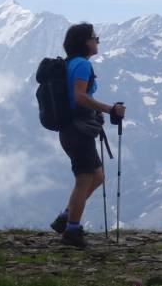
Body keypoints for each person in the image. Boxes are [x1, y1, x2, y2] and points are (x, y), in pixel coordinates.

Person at [50, 23, 126, 248]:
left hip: (72, 129)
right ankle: (72, 231)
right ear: (85, 41)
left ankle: (66, 217)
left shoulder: (71, 64)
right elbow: (79, 97)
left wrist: (96, 113)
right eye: (95, 38)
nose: (98, 41)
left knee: (97, 177)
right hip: (78, 131)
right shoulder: (82, 65)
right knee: (84, 179)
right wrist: (109, 109)